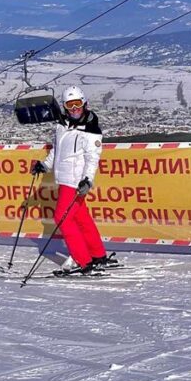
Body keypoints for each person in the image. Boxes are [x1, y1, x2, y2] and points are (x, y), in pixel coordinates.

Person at [32, 86, 116, 274]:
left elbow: (92, 158)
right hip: (64, 179)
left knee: (62, 218)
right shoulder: (61, 126)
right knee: (80, 217)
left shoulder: (91, 129)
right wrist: (44, 165)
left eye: (78, 104)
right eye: (70, 105)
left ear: (85, 103)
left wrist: (87, 180)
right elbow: (57, 151)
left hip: (75, 182)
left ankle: (82, 261)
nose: (75, 108)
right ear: (64, 107)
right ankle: (97, 255)